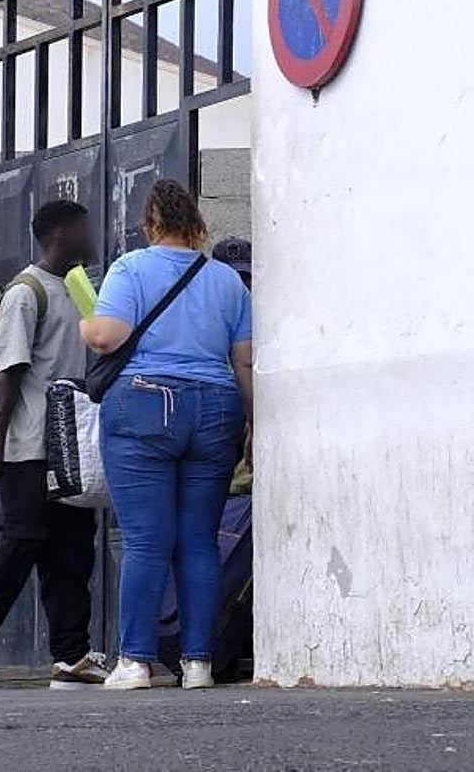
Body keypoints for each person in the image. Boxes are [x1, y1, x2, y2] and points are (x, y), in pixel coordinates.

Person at [0, 200, 110, 691]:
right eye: (83, 227)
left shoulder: (77, 287)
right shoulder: (25, 294)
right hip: (28, 447)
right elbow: (8, 374)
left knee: (72, 551)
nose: (92, 236)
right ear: (58, 233)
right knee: (22, 542)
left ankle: (70, 656)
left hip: (71, 449)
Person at [81, 180, 252, 691]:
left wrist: (85, 327)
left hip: (146, 403)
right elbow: (243, 360)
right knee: (199, 539)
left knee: (147, 539)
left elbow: (108, 335)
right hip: (218, 407)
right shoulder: (226, 281)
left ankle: (135, 661)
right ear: (196, 223)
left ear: (149, 224)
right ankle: (197, 663)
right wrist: (254, 423)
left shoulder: (131, 268)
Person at [156, 236, 254, 678]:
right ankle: (199, 648)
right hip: (220, 433)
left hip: (216, 432)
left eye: (248, 278)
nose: (245, 285)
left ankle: (202, 647)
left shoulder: (209, 305)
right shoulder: (229, 310)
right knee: (202, 539)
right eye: (240, 278)